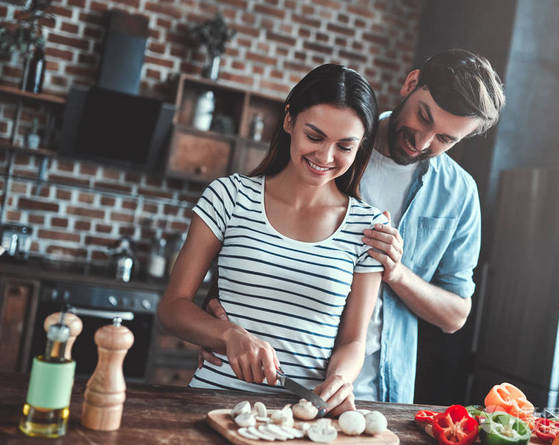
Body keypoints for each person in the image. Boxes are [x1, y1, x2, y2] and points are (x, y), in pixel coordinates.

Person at [201, 49, 506, 404]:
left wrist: (396, 272)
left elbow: (456, 314)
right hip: (271, 378)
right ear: (411, 83)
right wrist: (218, 328)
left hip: (377, 389)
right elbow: (257, 232)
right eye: (424, 118)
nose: (423, 141)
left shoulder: (459, 193)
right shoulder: (332, 147)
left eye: (446, 139)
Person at [158, 63, 388, 416]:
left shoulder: (367, 227)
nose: (325, 157)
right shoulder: (229, 197)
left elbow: (354, 340)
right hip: (212, 407)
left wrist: (341, 378)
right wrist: (228, 335)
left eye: (344, 146)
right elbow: (173, 308)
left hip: (302, 418)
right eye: (314, 136)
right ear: (289, 121)